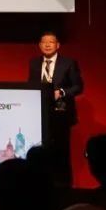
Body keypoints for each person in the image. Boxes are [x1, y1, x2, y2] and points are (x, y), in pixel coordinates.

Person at [28, 31, 83, 187]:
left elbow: (78, 86)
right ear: (40, 45)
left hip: (61, 114)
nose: (47, 45)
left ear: (58, 45)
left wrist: (62, 92)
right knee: (41, 152)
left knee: (61, 152)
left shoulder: (68, 63)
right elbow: (31, 85)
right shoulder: (34, 63)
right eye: (44, 42)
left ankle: (64, 187)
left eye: (51, 42)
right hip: (39, 114)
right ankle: (41, 185)